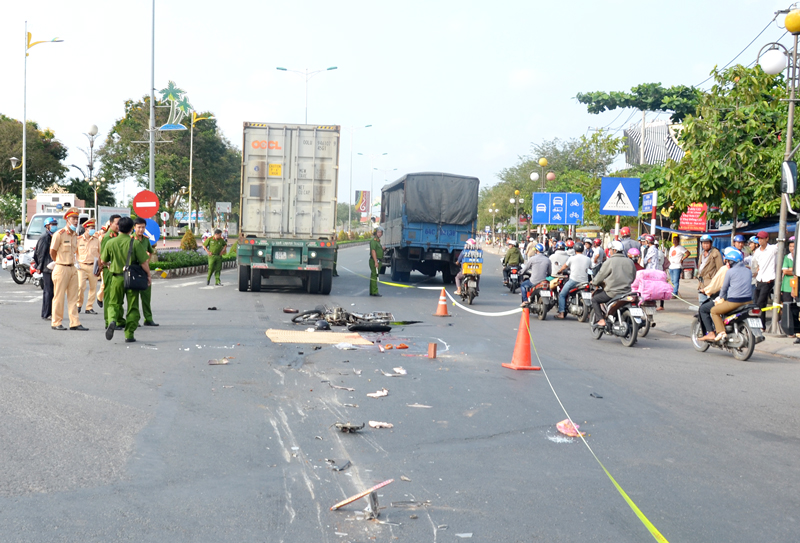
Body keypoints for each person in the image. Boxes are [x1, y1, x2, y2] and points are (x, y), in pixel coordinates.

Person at [101, 217, 151, 343]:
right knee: (132, 307)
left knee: (114, 303)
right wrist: (149, 275)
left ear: (118, 227)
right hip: (132, 279)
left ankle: (112, 319)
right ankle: (129, 334)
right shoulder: (135, 243)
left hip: (116, 278)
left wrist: (110, 264)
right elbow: (144, 262)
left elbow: (103, 261)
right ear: (131, 229)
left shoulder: (110, 242)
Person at [49, 208, 87, 331]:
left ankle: (74, 322)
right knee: (59, 297)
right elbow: (52, 251)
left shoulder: (76, 235)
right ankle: (56, 322)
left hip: (72, 268)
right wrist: (59, 261)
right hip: (61, 267)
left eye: (77, 219)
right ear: (67, 220)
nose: (76, 221)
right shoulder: (59, 234)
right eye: (73, 219)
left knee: (73, 297)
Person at [702, 248, 751, 342]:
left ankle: (721, 332)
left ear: (732, 262)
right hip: (749, 301)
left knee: (714, 311)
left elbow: (724, 288)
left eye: (728, 261)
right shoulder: (748, 271)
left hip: (735, 302)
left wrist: (720, 297)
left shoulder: (730, 272)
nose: (727, 263)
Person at [591, 240, 637, 327]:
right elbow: (634, 277)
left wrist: (594, 282)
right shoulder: (630, 262)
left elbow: (600, 276)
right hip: (627, 292)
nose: (609, 252)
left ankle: (601, 320)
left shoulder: (609, 262)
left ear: (614, 250)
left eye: (610, 250)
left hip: (612, 293)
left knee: (595, 299)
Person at [697, 247, 734, 336]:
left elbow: (715, 285)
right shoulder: (743, 269)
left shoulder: (725, 269)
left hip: (727, 298)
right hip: (743, 299)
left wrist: (706, 290)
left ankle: (711, 332)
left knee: (704, 309)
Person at [554, 243, 592, 319]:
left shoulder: (572, 258)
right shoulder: (588, 259)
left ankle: (561, 313)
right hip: (585, 282)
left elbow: (565, 266)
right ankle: (588, 314)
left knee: (562, 294)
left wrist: (560, 270)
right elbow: (590, 268)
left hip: (574, 281)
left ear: (575, 250)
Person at [133, 218, 159, 327]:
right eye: (139, 227)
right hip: (134, 270)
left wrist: (147, 259)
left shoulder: (146, 240)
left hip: (144, 270)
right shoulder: (131, 240)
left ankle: (148, 318)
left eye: (143, 227)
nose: (141, 229)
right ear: (134, 228)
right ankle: (135, 319)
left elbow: (151, 252)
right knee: (133, 298)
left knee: (146, 297)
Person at [100, 215, 122, 330]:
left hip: (117, 269)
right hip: (109, 270)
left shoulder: (118, 236)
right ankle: (109, 321)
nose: (119, 226)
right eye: (117, 223)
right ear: (111, 224)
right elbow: (104, 257)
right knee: (109, 295)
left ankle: (117, 319)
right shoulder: (107, 237)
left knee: (117, 297)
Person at [752, 230, 778, 327]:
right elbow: (755, 263)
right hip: (759, 279)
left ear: (767, 239)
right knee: (759, 303)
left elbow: (780, 244)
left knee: (760, 302)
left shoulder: (772, 249)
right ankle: (761, 325)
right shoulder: (757, 252)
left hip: (768, 279)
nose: (760, 241)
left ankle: (756, 323)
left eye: (762, 238)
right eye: (759, 239)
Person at [33, 217, 56, 320]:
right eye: (52, 224)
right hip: (47, 267)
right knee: (48, 291)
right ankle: (46, 313)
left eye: (55, 224)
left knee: (53, 291)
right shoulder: (44, 237)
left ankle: (51, 312)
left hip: (54, 266)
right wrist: (39, 267)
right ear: (47, 226)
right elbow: (40, 254)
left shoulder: (53, 236)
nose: (54, 226)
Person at [76, 219, 100, 315]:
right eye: (91, 228)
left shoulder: (96, 240)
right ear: (86, 229)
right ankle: (78, 305)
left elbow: (100, 254)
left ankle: (89, 307)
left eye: (94, 228)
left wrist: (100, 266)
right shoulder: (78, 240)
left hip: (93, 266)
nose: (93, 230)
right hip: (81, 266)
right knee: (80, 287)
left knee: (93, 287)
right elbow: (74, 253)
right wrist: (75, 263)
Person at [697, 234, 723, 303]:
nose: (705, 245)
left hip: (711, 283)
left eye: (707, 243)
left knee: (709, 304)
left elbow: (720, 269)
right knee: (702, 303)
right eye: (704, 243)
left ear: (711, 243)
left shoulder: (715, 253)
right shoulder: (702, 254)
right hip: (702, 283)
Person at [369, 227, 384, 296]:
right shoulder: (374, 241)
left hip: (378, 260)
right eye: (378, 232)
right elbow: (373, 251)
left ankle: (372, 291)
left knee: (374, 276)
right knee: (375, 275)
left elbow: (377, 250)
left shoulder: (378, 241)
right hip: (375, 260)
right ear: (375, 233)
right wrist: (375, 262)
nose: (380, 234)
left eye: (381, 232)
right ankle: (374, 291)